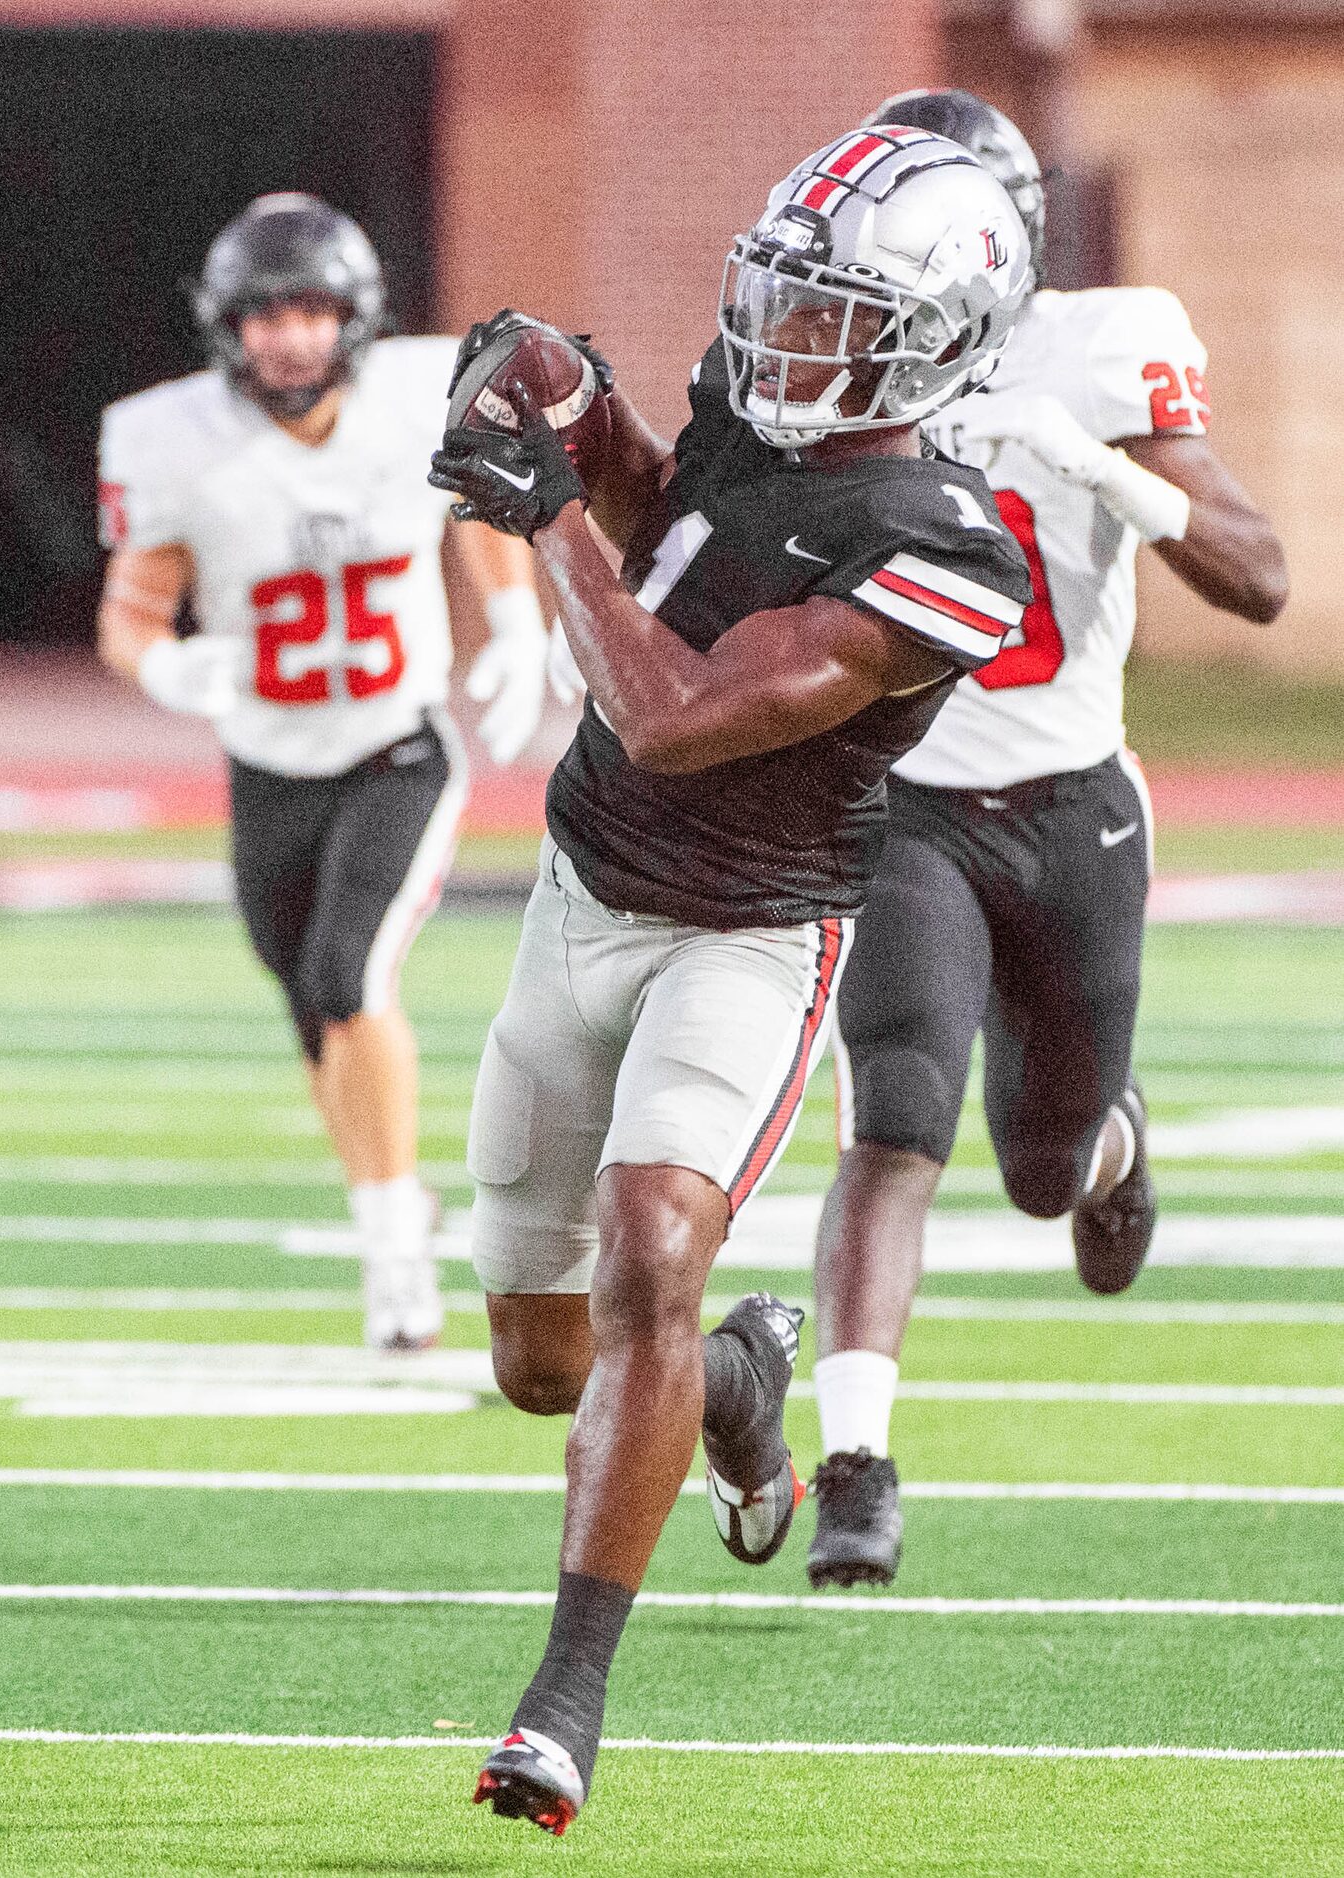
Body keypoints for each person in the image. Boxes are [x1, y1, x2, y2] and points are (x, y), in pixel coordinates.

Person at [427, 125, 1035, 1834]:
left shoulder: (948, 549)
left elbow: (674, 712)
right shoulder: (756, 408)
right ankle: (736, 1387)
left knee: (648, 1247)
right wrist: (567, 404)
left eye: (833, 310)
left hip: (752, 934)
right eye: (788, 289)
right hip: (574, 905)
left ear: (937, 342)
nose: (784, 331)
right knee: (547, 1360)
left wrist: (538, 513)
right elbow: (664, 512)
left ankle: (563, 1699)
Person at [806, 91, 1289, 1591]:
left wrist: (1089, 463)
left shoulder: (1103, 342)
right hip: (904, 806)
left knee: (1041, 1169)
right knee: (897, 1116)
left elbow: (1262, 577)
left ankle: (1112, 1136)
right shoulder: (831, 340)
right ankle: (858, 1466)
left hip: (1075, 804)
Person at [96, 193, 548, 1351]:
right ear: (223, 324)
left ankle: (398, 1253)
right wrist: (169, 671)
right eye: (265, 312)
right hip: (265, 766)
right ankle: (383, 1203)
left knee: (351, 977)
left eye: (311, 308)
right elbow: (130, 614)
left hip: (394, 745)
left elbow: (476, 505)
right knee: (312, 1011)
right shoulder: (174, 439)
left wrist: (512, 624)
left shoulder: (414, 397)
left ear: (353, 317)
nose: (289, 335)